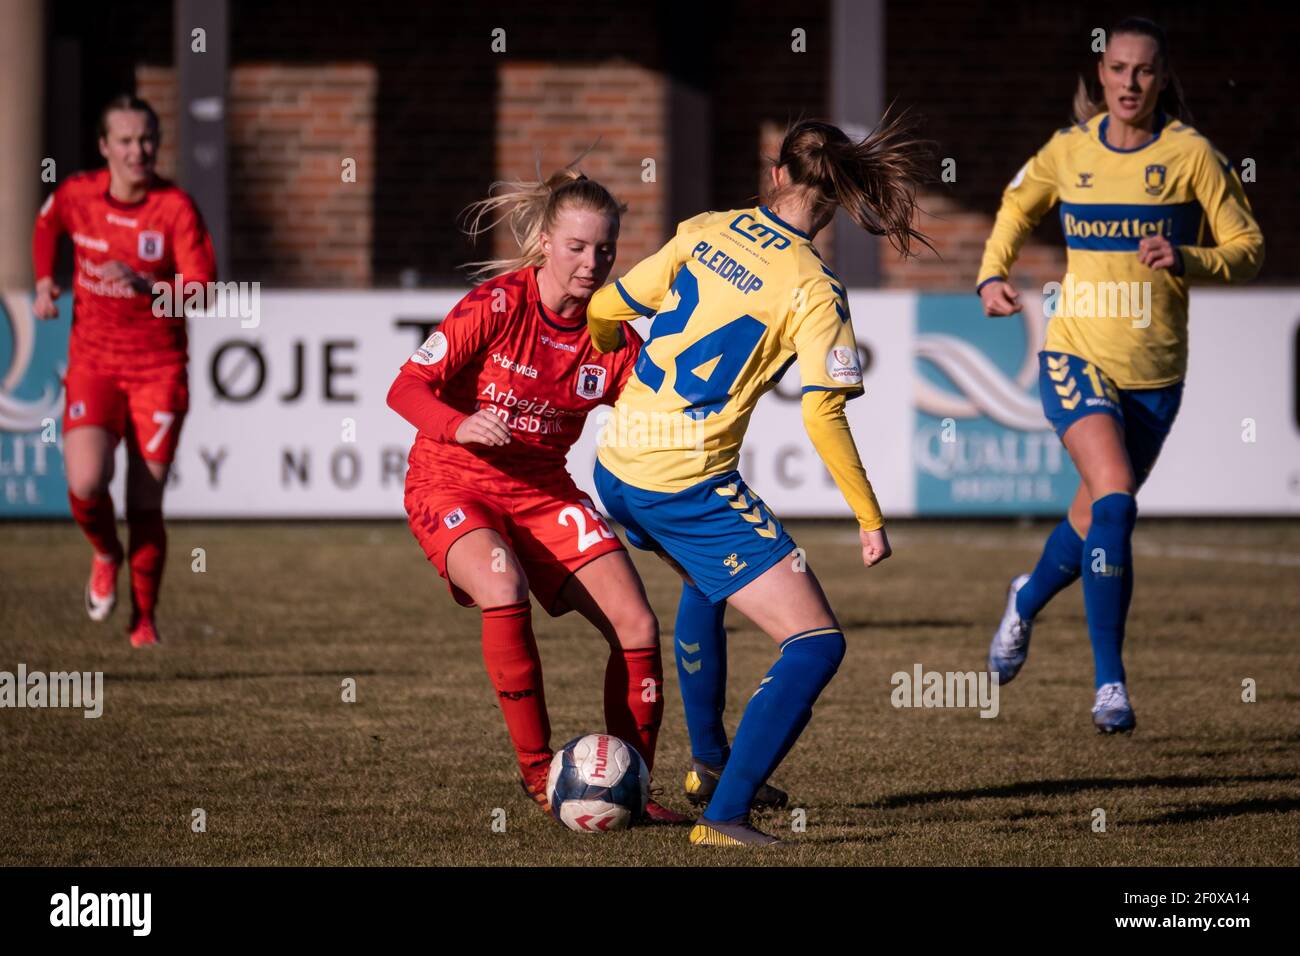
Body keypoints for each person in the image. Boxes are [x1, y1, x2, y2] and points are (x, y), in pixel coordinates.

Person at [586, 115, 932, 846]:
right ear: (838, 196)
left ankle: (711, 764)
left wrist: (614, 355)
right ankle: (724, 817)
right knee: (815, 643)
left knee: (704, 582)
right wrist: (869, 518)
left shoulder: (705, 227)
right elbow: (824, 417)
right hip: (684, 481)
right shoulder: (815, 288)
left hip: (618, 466)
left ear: (776, 175)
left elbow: (605, 307)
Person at [979, 16, 1263, 732]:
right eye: (1117, 69)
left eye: (1143, 71)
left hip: (1157, 373)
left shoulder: (1191, 154)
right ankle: (1109, 683)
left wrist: (1190, 257)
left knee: (1095, 516)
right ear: (1099, 75)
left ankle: (1024, 598)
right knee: (1115, 501)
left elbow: (1249, 247)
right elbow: (1018, 204)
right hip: (1076, 352)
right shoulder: (1070, 150)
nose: (1129, 82)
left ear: (1161, 79)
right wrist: (991, 273)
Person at [387, 166, 687, 824]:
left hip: (544, 493)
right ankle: (535, 775)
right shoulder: (497, 305)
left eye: (605, 249)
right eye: (577, 247)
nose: (592, 262)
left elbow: (655, 424)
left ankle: (631, 787)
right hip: (452, 477)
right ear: (546, 242)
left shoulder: (612, 338)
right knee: (501, 587)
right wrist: (458, 423)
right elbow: (405, 388)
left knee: (637, 625)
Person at [32, 94, 216, 648]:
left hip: (159, 371)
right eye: (127, 140)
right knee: (86, 480)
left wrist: (145, 285)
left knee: (144, 502)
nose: (139, 150)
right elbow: (47, 226)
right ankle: (105, 552)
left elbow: (204, 290)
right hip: (93, 363)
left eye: (147, 139)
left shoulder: (175, 208)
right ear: (104, 147)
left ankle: (143, 622)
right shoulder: (78, 195)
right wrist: (44, 280)